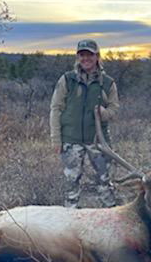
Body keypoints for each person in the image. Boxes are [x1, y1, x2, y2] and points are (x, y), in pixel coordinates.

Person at [50, 39, 119, 208]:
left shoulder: (107, 83)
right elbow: (55, 108)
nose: (86, 58)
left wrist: (105, 113)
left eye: (90, 55)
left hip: (98, 141)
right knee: (71, 183)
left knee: (105, 181)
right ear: (78, 57)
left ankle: (110, 217)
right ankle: (70, 220)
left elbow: (114, 109)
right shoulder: (67, 80)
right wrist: (56, 139)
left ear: (97, 57)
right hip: (71, 140)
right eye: (82, 55)